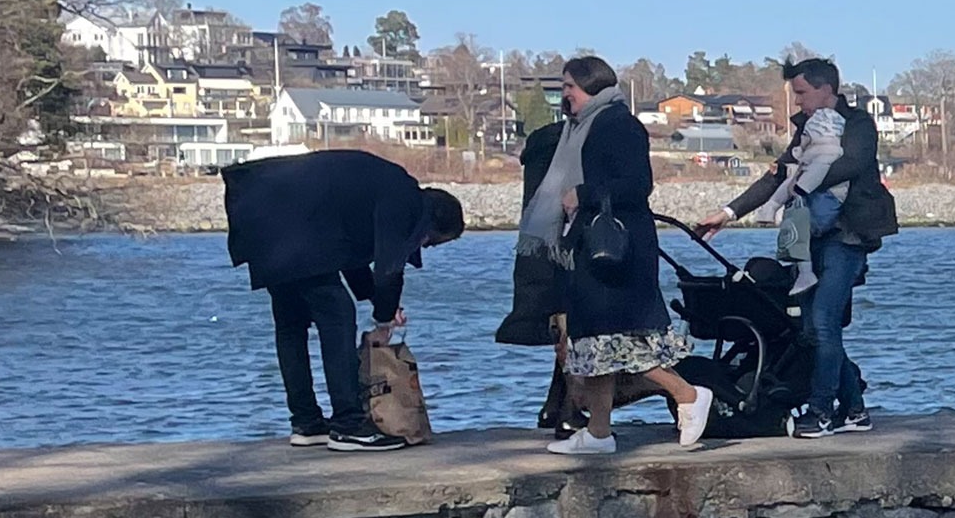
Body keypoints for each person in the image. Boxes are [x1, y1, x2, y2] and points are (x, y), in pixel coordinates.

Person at [523, 55, 713, 459]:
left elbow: (638, 184)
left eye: (569, 85)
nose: (565, 94)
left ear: (591, 86)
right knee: (594, 343)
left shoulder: (616, 124)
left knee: (615, 341)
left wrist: (584, 194)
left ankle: (688, 394)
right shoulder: (584, 126)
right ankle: (598, 432)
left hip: (616, 249)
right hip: (593, 246)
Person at [221, 148, 465, 450]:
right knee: (337, 315)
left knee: (291, 323)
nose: (425, 247)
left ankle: (307, 423)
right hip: (294, 226)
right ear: (432, 222)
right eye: (432, 242)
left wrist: (379, 302)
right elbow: (389, 267)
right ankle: (349, 424)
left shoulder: (381, 186)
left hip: (264, 213)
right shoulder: (405, 196)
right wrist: (384, 315)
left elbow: (349, 256)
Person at [723, 56, 885, 437]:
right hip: (808, 239)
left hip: (846, 238)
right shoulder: (806, 130)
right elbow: (777, 174)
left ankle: (820, 412)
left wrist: (804, 181)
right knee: (812, 329)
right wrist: (728, 213)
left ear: (826, 89)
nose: (797, 102)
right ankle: (855, 411)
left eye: (801, 93)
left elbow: (852, 163)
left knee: (825, 323)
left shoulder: (860, 125)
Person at [493, 108, 574, 434]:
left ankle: (555, 406)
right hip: (568, 250)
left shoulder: (542, 147)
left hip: (537, 252)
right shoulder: (573, 147)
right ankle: (569, 409)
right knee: (577, 331)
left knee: (563, 328)